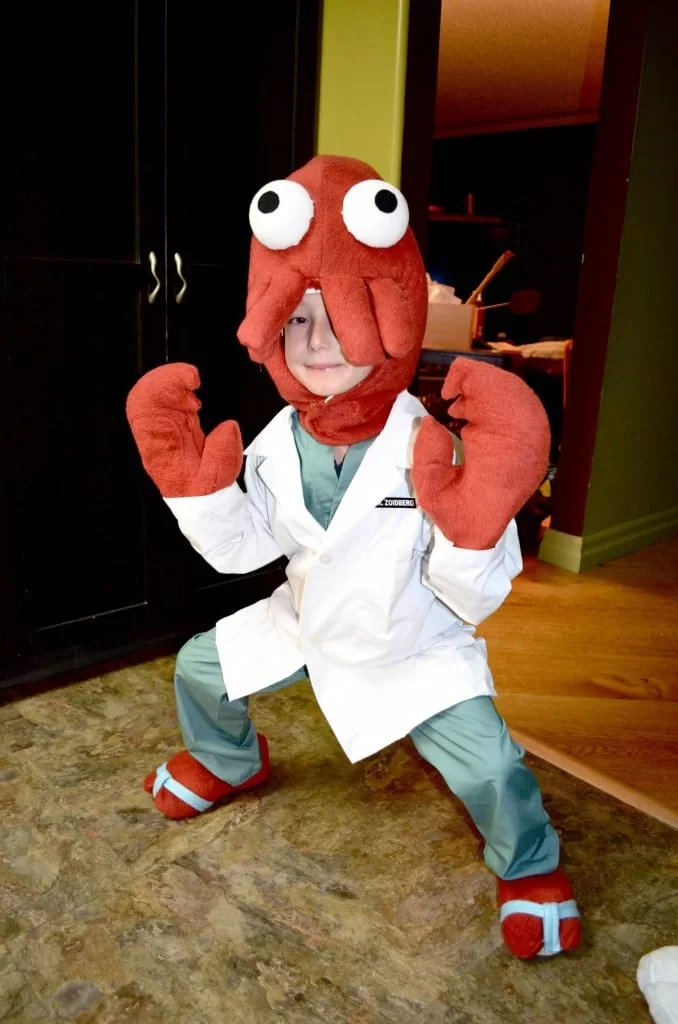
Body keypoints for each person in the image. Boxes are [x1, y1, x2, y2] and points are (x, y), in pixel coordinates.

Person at [126, 154, 581, 960]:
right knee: (200, 668)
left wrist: (473, 530)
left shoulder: (430, 443)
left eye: (342, 314)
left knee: (491, 769)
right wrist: (197, 492)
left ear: (394, 315)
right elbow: (247, 549)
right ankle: (229, 759)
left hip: (412, 640)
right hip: (306, 619)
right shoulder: (277, 441)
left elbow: (473, 598)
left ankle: (531, 865)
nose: (317, 341)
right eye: (298, 319)